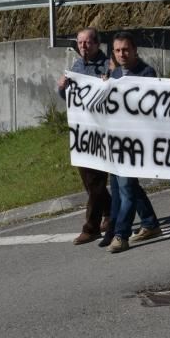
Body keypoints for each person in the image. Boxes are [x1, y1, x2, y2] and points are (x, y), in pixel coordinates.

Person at [105, 31, 162, 253]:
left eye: (126, 49)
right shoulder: (115, 72)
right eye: (118, 50)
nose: (122, 54)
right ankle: (150, 222)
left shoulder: (146, 73)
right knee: (123, 187)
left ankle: (121, 234)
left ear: (135, 50)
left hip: (135, 142)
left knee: (126, 187)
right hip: (116, 140)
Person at [57, 27, 111, 245]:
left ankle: (91, 227)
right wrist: (62, 88)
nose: (83, 47)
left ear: (97, 44)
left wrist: (108, 83)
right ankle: (111, 210)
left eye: (87, 43)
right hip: (82, 132)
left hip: (102, 131)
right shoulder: (77, 66)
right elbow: (70, 98)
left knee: (96, 181)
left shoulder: (108, 65)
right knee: (88, 180)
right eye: (80, 43)